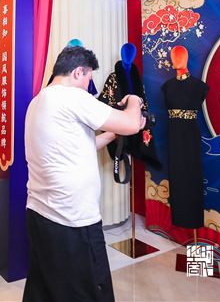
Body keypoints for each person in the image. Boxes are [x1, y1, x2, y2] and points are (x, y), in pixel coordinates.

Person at [23, 46, 146, 302]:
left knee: (46, 287)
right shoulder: (72, 97)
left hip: (41, 213)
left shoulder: (38, 101)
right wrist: (134, 100)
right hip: (72, 219)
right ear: (78, 72)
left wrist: (112, 133)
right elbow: (133, 123)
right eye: (89, 77)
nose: (89, 85)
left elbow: (76, 147)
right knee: (89, 292)